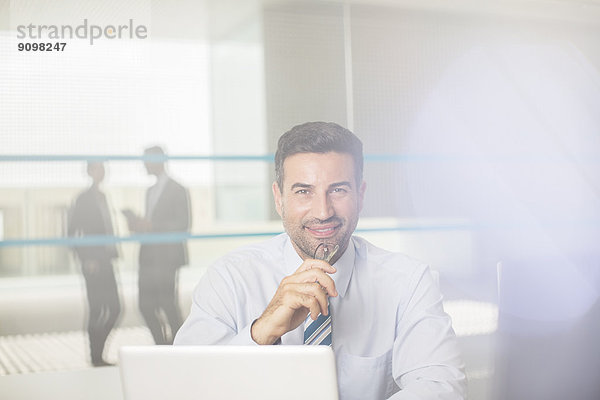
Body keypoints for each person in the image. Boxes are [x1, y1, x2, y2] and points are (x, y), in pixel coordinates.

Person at [174, 122, 466, 399]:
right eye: (303, 191)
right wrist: (261, 332)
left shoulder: (409, 282)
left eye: (338, 190)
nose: (323, 211)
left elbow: (440, 387)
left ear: (360, 195)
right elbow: (183, 388)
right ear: (279, 198)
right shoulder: (230, 279)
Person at [124, 146, 191, 345]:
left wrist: (152, 225)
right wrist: (139, 225)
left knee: (167, 305)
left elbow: (183, 224)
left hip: (167, 257)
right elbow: (153, 224)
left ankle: (179, 347)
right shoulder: (150, 191)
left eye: (147, 160)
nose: (144, 164)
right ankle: (162, 346)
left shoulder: (178, 189)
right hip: (148, 257)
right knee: (145, 306)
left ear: (158, 161)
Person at [68, 162, 121, 367]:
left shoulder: (104, 197)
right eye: (98, 168)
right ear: (90, 172)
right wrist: (86, 258)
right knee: (97, 310)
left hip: (106, 260)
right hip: (93, 264)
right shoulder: (83, 199)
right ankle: (96, 356)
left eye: (104, 168)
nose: (103, 172)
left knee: (115, 308)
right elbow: (71, 233)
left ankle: (98, 352)